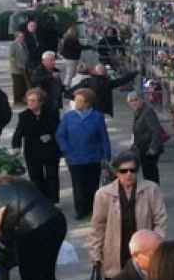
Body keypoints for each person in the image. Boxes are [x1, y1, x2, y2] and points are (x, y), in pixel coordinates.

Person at [90, 151, 167, 280]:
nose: (129, 174)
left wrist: (155, 245)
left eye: (133, 170)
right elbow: (98, 227)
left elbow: (161, 220)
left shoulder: (151, 189)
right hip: (115, 253)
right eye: (123, 170)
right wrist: (95, 254)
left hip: (143, 252)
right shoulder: (103, 194)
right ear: (116, 172)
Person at [57, 89, 111, 220]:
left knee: (92, 184)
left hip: (93, 157)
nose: (76, 103)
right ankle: (80, 210)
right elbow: (60, 135)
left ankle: (92, 209)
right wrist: (66, 150)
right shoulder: (68, 117)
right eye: (75, 100)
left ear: (87, 103)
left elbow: (103, 137)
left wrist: (106, 155)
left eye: (79, 101)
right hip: (74, 158)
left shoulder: (97, 117)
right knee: (78, 185)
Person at [13, 87, 63, 203]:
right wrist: (16, 146)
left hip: (50, 150)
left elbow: (59, 129)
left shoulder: (52, 113)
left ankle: (53, 200)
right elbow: (18, 132)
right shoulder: (24, 116)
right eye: (29, 100)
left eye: (33, 100)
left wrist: (51, 136)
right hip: (32, 151)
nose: (30, 103)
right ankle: (41, 200)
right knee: (36, 178)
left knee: (52, 176)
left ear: (41, 102)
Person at [127, 92, 169, 183]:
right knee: (147, 173)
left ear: (141, 100)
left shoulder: (147, 112)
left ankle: (154, 193)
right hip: (143, 148)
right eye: (131, 101)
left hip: (149, 148)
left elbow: (156, 130)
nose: (134, 103)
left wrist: (153, 148)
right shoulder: (138, 112)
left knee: (151, 173)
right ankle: (151, 193)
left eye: (136, 100)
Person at [71, 63, 136, 117]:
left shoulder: (87, 81)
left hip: (90, 109)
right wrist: (134, 73)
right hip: (103, 110)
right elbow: (121, 80)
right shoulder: (107, 83)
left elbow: (70, 92)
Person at [8, 28, 31, 105]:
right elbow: (11, 57)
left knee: (24, 84)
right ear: (16, 37)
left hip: (24, 67)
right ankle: (17, 100)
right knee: (17, 85)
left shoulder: (24, 44)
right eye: (20, 37)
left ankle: (23, 98)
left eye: (23, 37)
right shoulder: (13, 45)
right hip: (16, 69)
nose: (22, 38)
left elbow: (27, 53)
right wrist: (18, 64)